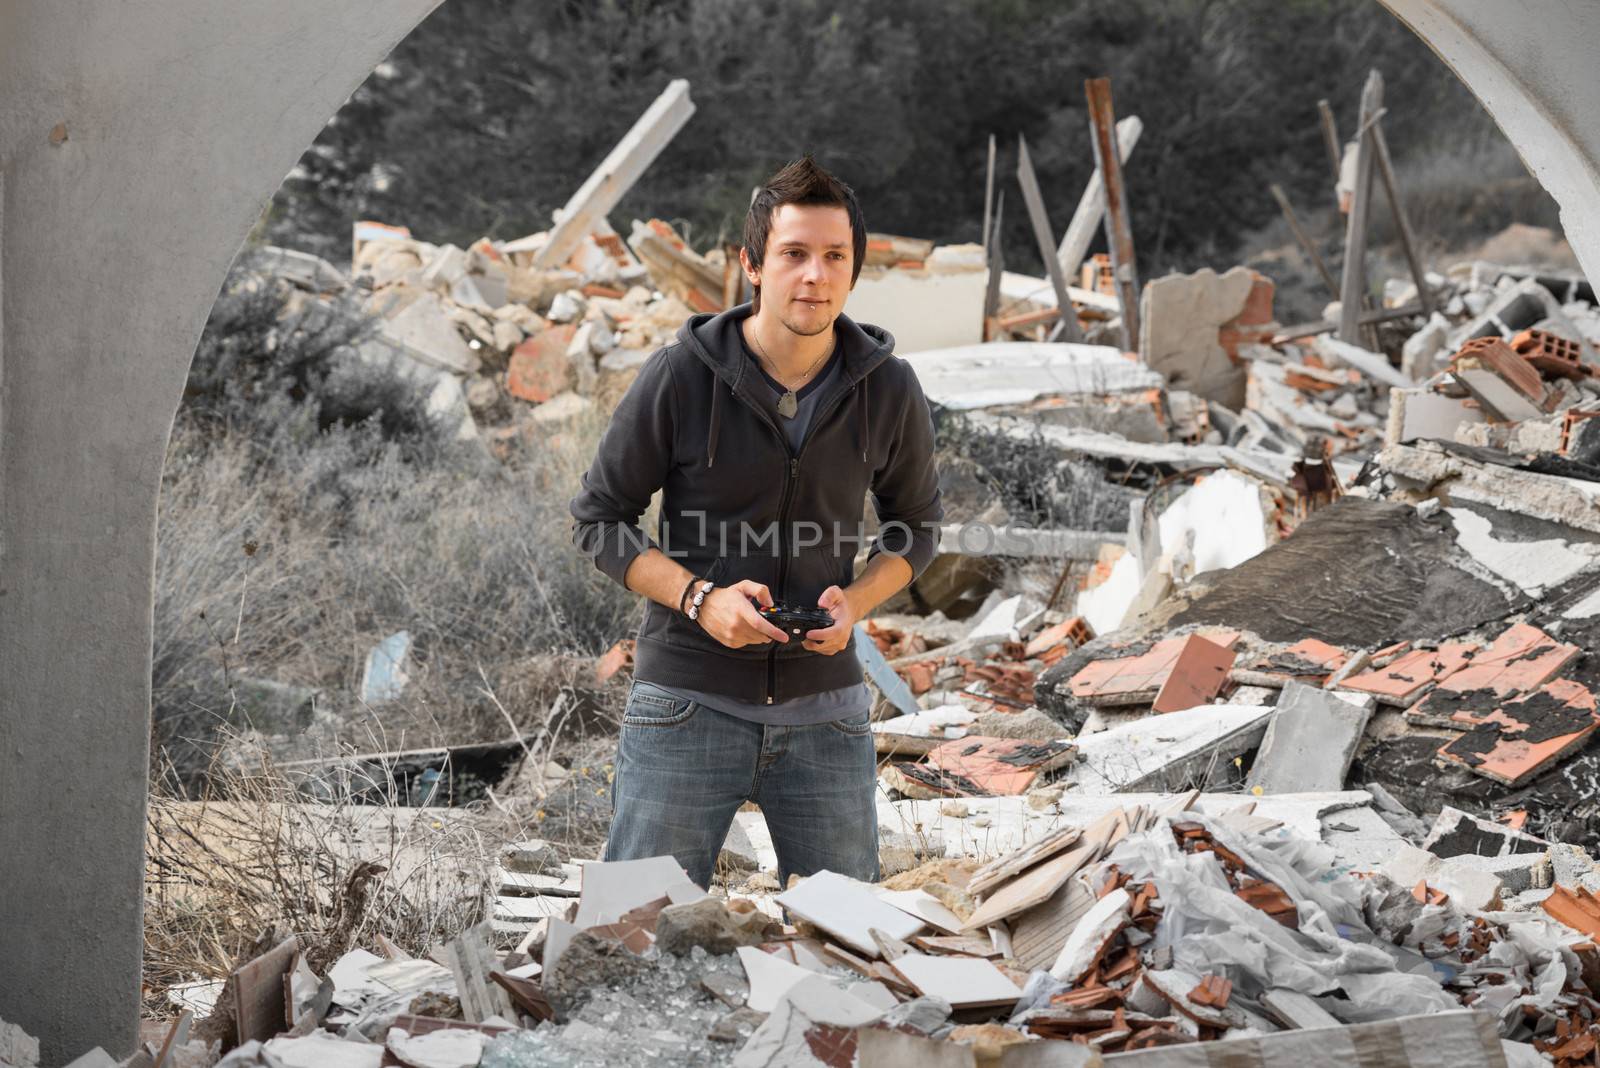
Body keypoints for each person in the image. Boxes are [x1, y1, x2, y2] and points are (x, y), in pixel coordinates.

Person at [569, 155, 944, 888]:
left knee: (845, 955)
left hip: (828, 716)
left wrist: (855, 606)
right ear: (752, 264)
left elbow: (917, 527)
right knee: (629, 939)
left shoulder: (889, 388)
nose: (814, 275)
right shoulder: (681, 374)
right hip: (686, 703)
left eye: (834, 257)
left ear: (855, 270)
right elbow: (599, 519)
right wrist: (701, 601)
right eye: (793, 254)